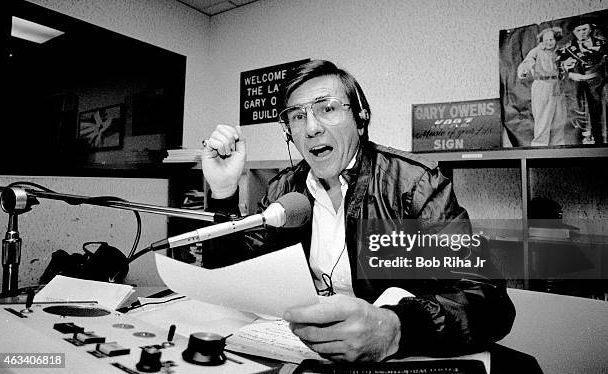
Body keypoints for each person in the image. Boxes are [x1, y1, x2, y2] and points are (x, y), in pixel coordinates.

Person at [200, 60, 515, 362]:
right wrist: (223, 193)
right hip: (305, 354)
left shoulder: (413, 185)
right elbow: (233, 280)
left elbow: (486, 298)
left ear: (361, 117)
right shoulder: (283, 191)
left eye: (327, 108)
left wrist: (395, 327)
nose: (311, 128)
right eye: (296, 116)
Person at [556, 17, 607, 144]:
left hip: (600, 84)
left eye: (584, 29)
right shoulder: (568, 50)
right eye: (578, 30)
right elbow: (560, 66)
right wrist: (566, 68)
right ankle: (585, 138)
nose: (581, 32)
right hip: (578, 86)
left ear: (590, 29)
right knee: (580, 111)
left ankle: (602, 139)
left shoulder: (602, 45)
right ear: (573, 32)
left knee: (601, 111)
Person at [517, 27, 567, 146]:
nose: (548, 42)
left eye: (551, 39)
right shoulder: (537, 51)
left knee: (559, 119)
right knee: (543, 119)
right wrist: (524, 70)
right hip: (542, 85)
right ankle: (539, 147)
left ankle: (558, 149)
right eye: (546, 40)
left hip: (557, 85)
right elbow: (527, 62)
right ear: (541, 41)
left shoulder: (561, 51)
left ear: (556, 40)